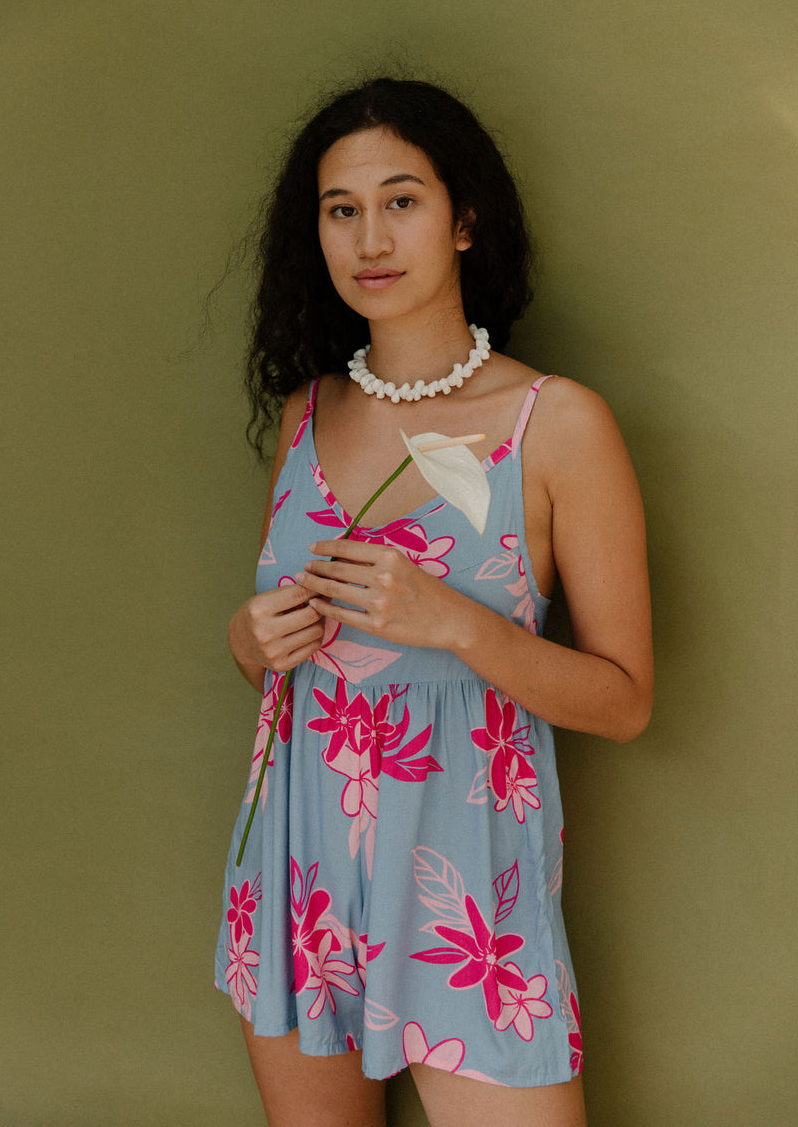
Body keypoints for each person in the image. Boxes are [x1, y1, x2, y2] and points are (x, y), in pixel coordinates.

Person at [215, 77, 652, 1127]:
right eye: (340, 209)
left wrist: (454, 623)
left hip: (468, 902)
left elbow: (622, 701)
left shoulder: (557, 424)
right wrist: (247, 637)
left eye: (401, 199)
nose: (370, 236)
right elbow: (282, 665)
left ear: (463, 220)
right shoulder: (304, 414)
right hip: (296, 875)